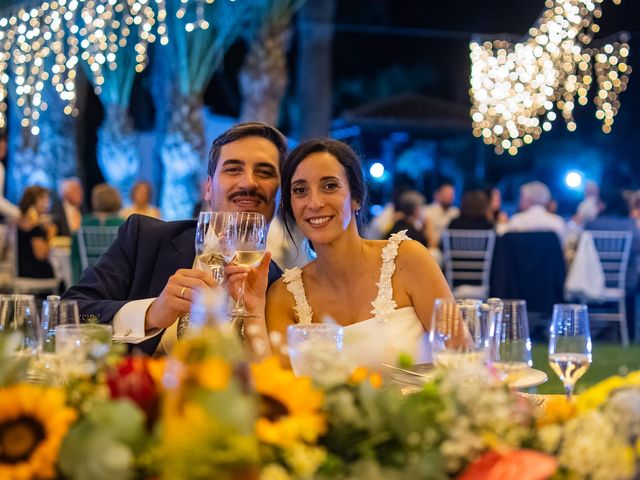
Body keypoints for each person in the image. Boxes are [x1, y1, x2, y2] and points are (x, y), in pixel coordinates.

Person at [63, 122, 287, 356]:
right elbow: (71, 312)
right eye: (233, 169)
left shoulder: (280, 286)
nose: (248, 182)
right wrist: (150, 313)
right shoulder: (145, 239)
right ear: (209, 188)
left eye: (264, 172)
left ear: (280, 194)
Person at [258, 139, 453, 366]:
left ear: (356, 198)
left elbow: (461, 358)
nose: (315, 202)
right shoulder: (283, 297)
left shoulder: (408, 260)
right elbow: (280, 388)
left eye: (330, 186)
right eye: (300, 190)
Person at [70, 183, 125, 284]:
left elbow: (75, 257)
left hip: (88, 276)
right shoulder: (123, 224)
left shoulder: (84, 223)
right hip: (116, 278)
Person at [17, 186, 57, 279]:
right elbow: (41, 255)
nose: (47, 203)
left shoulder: (21, 220)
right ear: (32, 201)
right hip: (33, 273)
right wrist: (51, 235)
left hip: (21, 270)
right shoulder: (35, 227)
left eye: (47, 199)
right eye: (43, 198)